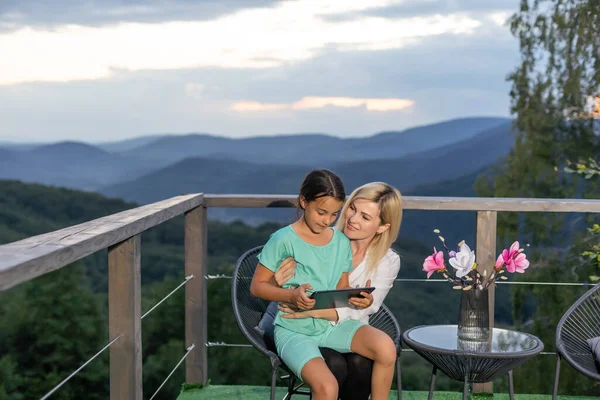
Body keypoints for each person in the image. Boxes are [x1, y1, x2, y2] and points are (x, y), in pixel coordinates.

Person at [250, 170, 397, 400]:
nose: (328, 220)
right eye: (321, 212)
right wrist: (290, 296)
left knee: (386, 347)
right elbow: (256, 287)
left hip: (330, 327)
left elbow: (341, 289)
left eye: (334, 214)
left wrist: (359, 299)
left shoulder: (340, 242)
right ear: (303, 201)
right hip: (293, 329)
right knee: (327, 387)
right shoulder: (282, 239)